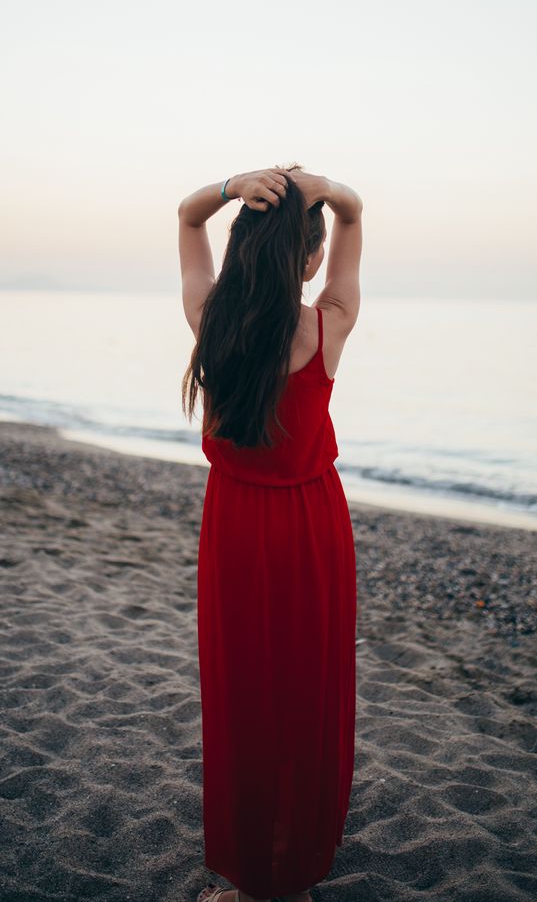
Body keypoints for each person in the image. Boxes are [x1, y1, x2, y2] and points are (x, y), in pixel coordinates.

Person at [178, 164, 363, 902]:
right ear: (308, 259)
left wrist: (231, 189)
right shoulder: (325, 326)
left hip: (235, 523)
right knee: (305, 691)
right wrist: (335, 195)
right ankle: (297, 871)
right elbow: (352, 227)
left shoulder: (209, 320)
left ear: (240, 249)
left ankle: (255, 878)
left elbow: (185, 220)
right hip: (313, 525)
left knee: (244, 692)